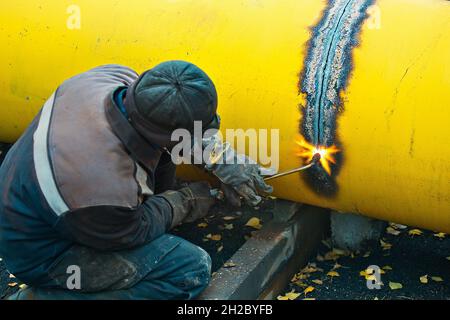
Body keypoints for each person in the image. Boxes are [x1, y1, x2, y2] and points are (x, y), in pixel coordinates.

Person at [0, 61, 272, 299]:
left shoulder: (114, 79)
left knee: (162, 164)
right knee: (187, 270)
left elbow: (167, 121)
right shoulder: (101, 187)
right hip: (42, 251)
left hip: (50, 202)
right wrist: (183, 203)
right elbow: (133, 230)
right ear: (168, 137)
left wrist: (219, 157)